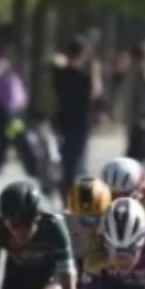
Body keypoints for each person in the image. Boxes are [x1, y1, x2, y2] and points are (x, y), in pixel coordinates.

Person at [51, 36, 96, 197]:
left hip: (63, 121)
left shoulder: (60, 74)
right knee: (77, 163)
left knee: (66, 161)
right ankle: (72, 196)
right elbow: (95, 93)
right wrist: (95, 69)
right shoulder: (85, 77)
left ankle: (66, 192)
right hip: (79, 123)